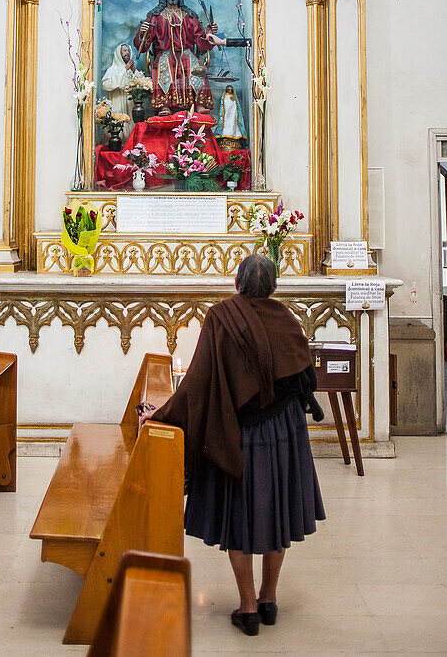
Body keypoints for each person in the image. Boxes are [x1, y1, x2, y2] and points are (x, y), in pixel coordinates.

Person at [147, 253, 325, 637]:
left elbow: (197, 382)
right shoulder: (287, 318)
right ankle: (268, 599)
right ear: (274, 286)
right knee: (277, 510)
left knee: (241, 515)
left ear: (237, 283)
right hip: (285, 429)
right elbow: (305, 373)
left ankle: (247, 607)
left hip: (242, 432)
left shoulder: (221, 317)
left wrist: (161, 414)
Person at [133, 0, 225, 116]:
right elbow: (143, 47)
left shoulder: (189, 16)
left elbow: (201, 43)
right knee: (164, 64)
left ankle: (199, 104)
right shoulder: (155, 16)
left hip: (186, 54)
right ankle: (164, 105)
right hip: (165, 54)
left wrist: (208, 33)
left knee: (195, 66)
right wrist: (143, 33)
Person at [101, 43, 139, 140]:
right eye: (125, 51)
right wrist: (124, 70)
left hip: (129, 103)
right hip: (117, 100)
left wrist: (133, 71)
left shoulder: (132, 70)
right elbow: (106, 84)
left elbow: (139, 83)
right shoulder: (113, 69)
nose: (127, 53)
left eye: (129, 51)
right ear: (119, 53)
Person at [214, 83, 248, 150]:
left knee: (233, 126)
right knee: (226, 126)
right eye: (228, 89)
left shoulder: (234, 98)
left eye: (230, 89)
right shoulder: (225, 97)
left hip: (233, 115)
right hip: (226, 116)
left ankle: (234, 138)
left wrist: (233, 105)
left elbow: (236, 106)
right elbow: (224, 106)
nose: (229, 90)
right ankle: (225, 140)